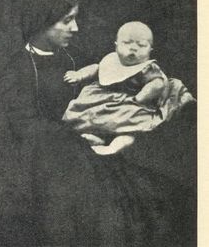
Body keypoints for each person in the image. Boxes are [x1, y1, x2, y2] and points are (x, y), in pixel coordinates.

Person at [0, 0, 196, 247]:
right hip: (50, 161)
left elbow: (113, 94)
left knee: (172, 199)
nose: (75, 28)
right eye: (67, 20)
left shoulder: (76, 57)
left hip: (99, 148)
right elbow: (23, 126)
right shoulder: (17, 68)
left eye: (75, 18)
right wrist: (77, 136)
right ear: (41, 21)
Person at [63, 21, 195, 155]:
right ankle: (95, 137)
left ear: (150, 50)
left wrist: (142, 97)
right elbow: (96, 69)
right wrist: (79, 75)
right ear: (116, 46)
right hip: (100, 98)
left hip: (130, 103)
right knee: (86, 116)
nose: (133, 48)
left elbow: (157, 83)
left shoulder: (146, 68)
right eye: (127, 43)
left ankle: (113, 147)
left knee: (128, 132)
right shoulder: (111, 61)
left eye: (141, 45)